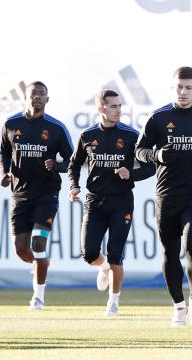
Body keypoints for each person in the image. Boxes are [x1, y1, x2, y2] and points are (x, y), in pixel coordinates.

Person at [136, 67, 192, 327]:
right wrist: (157, 155)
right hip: (166, 195)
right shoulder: (159, 117)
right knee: (170, 253)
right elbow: (139, 151)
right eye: (178, 87)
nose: (183, 92)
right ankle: (178, 307)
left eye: (188, 87)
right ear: (172, 87)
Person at [68, 90, 155, 316]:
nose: (118, 110)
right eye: (113, 106)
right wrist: (74, 185)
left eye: (120, 106)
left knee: (116, 253)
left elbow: (151, 166)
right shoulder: (87, 136)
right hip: (94, 201)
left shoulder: (130, 136)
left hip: (122, 202)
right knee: (88, 254)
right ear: (101, 109)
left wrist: (131, 174)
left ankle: (113, 302)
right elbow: (74, 164)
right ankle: (103, 266)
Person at [0, 81, 73, 310]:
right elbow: (3, 152)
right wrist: (4, 173)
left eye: (42, 94)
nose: (37, 97)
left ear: (47, 99)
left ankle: (38, 297)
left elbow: (72, 161)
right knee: (21, 249)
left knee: (39, 242)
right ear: (26, 97)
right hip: (20, 194)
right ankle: (42, 263)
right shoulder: (11, 124)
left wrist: (57, 165)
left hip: (46, 194)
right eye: (33, 93)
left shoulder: (56, 128)